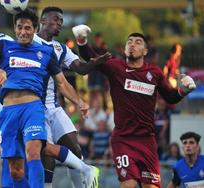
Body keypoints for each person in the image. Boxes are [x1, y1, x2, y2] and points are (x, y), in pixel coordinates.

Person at [0, 10, 105, 188]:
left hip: (32, 108)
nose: (23, 31)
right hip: (6, 108)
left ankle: (84, 170)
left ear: (34, 29)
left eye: (27, 28)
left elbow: (62, 83)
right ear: (15, 29)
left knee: (34, 151)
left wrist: (79, 102)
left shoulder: (42, 51)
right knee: (15, 167)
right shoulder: (2, 48)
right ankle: (84, 167)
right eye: (19, 27)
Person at [72, 25, 196, 187]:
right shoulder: (116, 67)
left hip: (147, 141)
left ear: (145, 51)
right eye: (129, 42)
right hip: (123, 140)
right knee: (129, 185)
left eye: (138, 42)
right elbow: (91, 57)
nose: (132, 44)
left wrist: (183, 90)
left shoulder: (155, 73)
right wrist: (81, 40)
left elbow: (170, 97)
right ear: (124, 49)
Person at [35, 6, 108, 187]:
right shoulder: (29, 43)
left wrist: (95, 63)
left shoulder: (60, 48)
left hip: (54, 107)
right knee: (47, 152)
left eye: (61, 21)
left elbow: (80, 68)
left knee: (75, 152)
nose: (59, 23)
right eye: (55, 19)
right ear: (43, 20)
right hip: (34, 108)